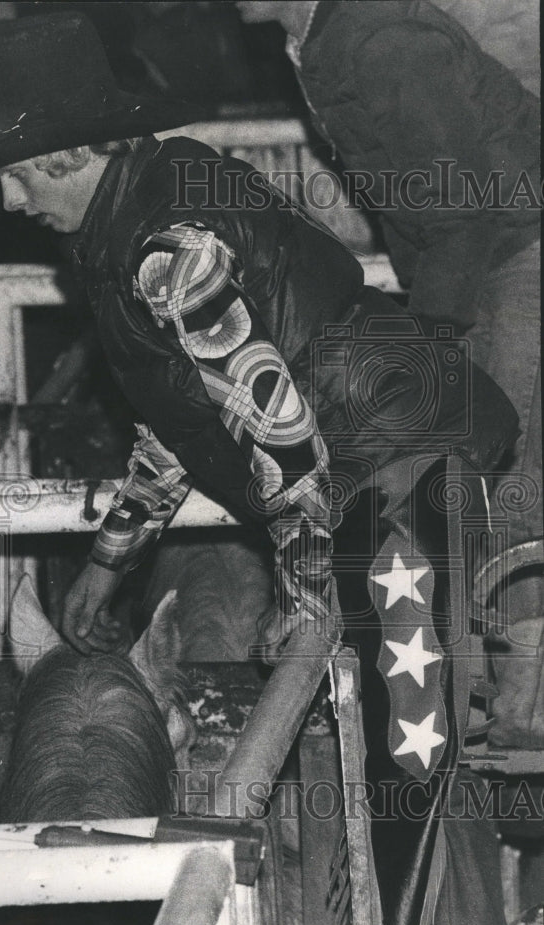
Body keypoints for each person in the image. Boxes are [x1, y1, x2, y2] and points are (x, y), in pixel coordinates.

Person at [0, 12, 516, 925]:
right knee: (394, 764)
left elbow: (277, 425)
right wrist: (114, 557)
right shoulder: (139, 217)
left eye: (18, 172)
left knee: (418, 779)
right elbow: (190, 414)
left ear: (67, 154)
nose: (12, 200)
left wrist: (305, 583)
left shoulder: (163, 244)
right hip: (375, 479)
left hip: (404, 482)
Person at [235, 0, 543, 678]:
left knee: (512, 481)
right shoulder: (316, 40)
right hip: (479, 256)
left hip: (516, 249)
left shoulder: (383, 41)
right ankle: (484, 687)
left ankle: (529, 697)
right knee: (472, 480)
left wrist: (428, 338)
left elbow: (458, 206)